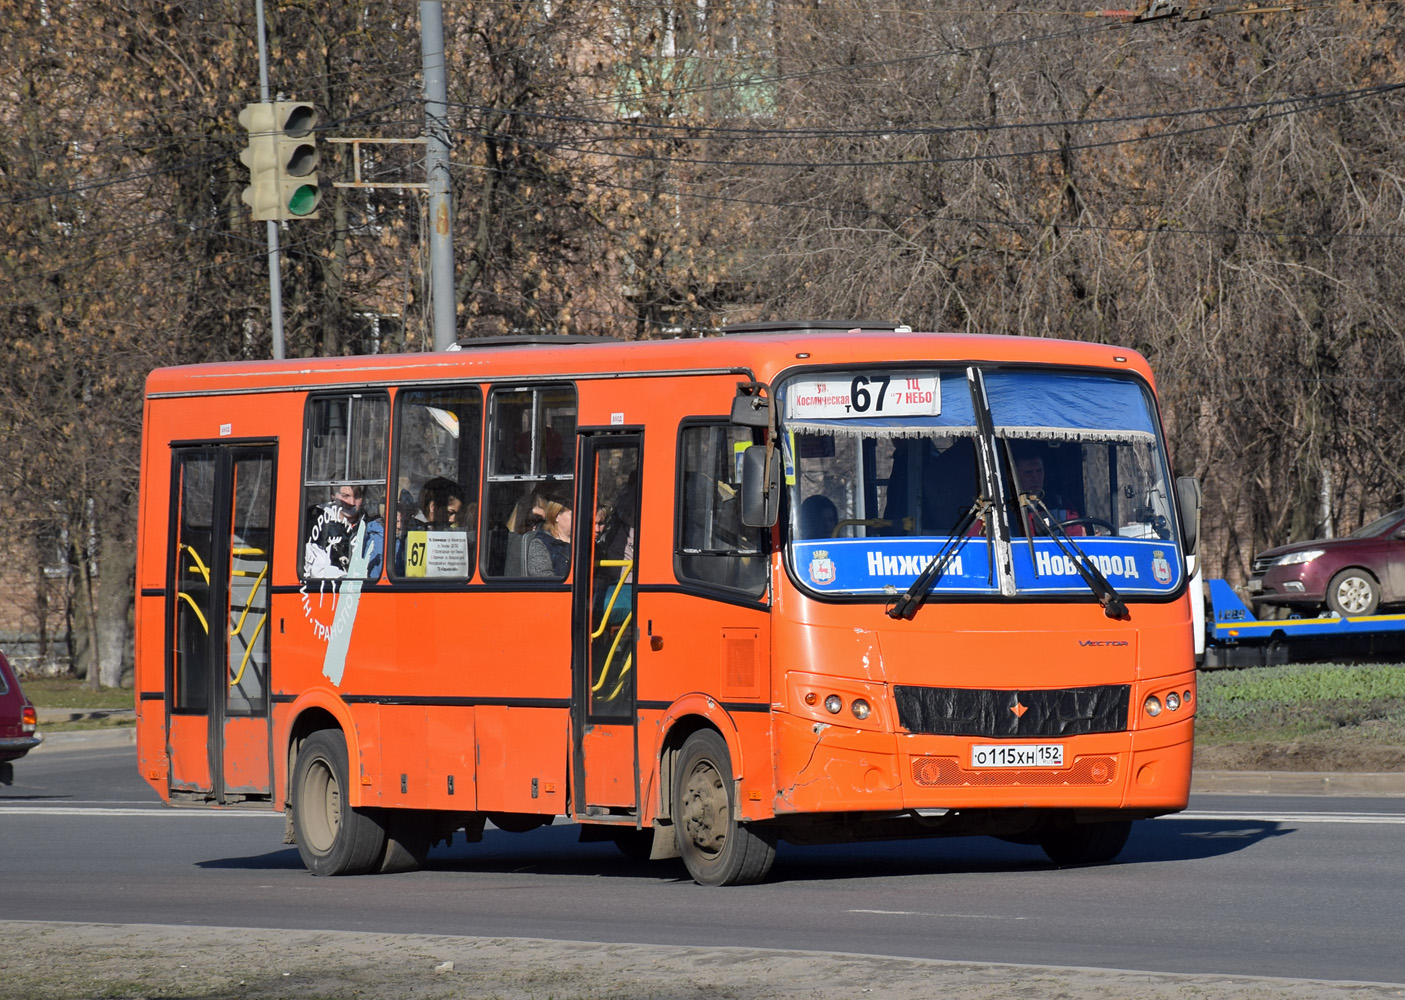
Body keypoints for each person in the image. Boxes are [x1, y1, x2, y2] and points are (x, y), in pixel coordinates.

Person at [304, 484, 384, 579]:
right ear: (333, 495)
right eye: (345, 496)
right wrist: (346, 578)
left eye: (357, 496)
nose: (351, 502)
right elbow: (317, 569)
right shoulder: (319, 522)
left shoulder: (371, 526)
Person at [525, 495, 573, 578]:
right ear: (556, 516)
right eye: (572, 515)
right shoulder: (541, 544)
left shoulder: (583, 542)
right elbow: (544, 579)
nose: (578, 518)